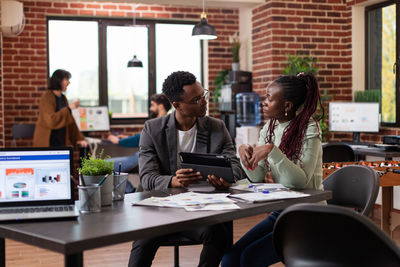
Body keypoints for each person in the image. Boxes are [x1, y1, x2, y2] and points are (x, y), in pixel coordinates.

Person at [128, 71, 245, 267]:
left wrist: (225, 180)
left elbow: (236, 168)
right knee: (143, 243)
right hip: (160, 211)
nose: (204, 102)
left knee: (219, 234)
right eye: (196, 99)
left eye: (203, 95)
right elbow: (146, 177)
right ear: (177, 105)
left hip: (200, 212)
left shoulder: (217, 127)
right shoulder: (152, 129)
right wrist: (173, 181)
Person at [221, 73, 324, 267]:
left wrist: (272, 151)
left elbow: (300, 182)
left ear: (287, 106)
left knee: (247, 259)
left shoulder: (310, 128)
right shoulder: (269, 127)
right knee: (230, 259)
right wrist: (245, 156)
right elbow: (257, 176)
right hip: (283, 211)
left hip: (309, 215)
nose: (264, 102)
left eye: (269, 98)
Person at [106, 94, 172, 174]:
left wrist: (118, 141)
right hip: (143, 157)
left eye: (153, 105)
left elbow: (142, 139)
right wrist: (127, 137)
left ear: (161, 107)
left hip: (144, 158)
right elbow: (147, 136)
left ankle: (129, 187)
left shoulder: (159, 123)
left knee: (104, 165)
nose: (150, 108)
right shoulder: (166, 121)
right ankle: (129, 187)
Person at [33, 69, 88, 148]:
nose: (69, 82)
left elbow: (69, 120)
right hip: (48, 142)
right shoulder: (47, 97)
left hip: (61, 142)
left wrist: (79, 139)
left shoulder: (63, 98)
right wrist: (69, 108)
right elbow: (51, 121)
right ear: (58, 81)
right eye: (66, 80)